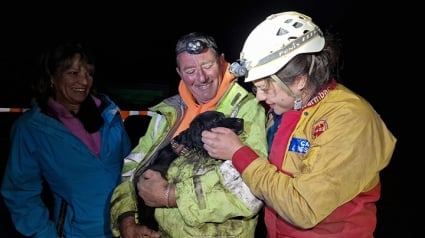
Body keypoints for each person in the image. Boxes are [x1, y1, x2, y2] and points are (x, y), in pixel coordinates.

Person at [201, 11, 397, 238]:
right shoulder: (286, 108)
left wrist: (239, 153)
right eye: (256, 88)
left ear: (300, 80)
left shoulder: (349, 118)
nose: (260, 98)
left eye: (265, 87)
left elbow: (302, 208)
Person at [110, 32, 268, 238]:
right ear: (179, 73)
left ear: (222, 62)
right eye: (190, 70)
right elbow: (132, 166)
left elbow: (250, 190)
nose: (201, 78)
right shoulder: (168, 113)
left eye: (207, 66)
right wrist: (127, 219)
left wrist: (170, 196)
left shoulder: (248, 110)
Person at [1, 40, 132, 237]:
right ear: (52, 77)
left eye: (89, 73)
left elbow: (132, 171)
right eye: (73, 73)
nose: (84, 81)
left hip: (125, 230)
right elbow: (21, 193)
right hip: (76, 233)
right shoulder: (31, 128)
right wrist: (45, 234)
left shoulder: (109, 116)